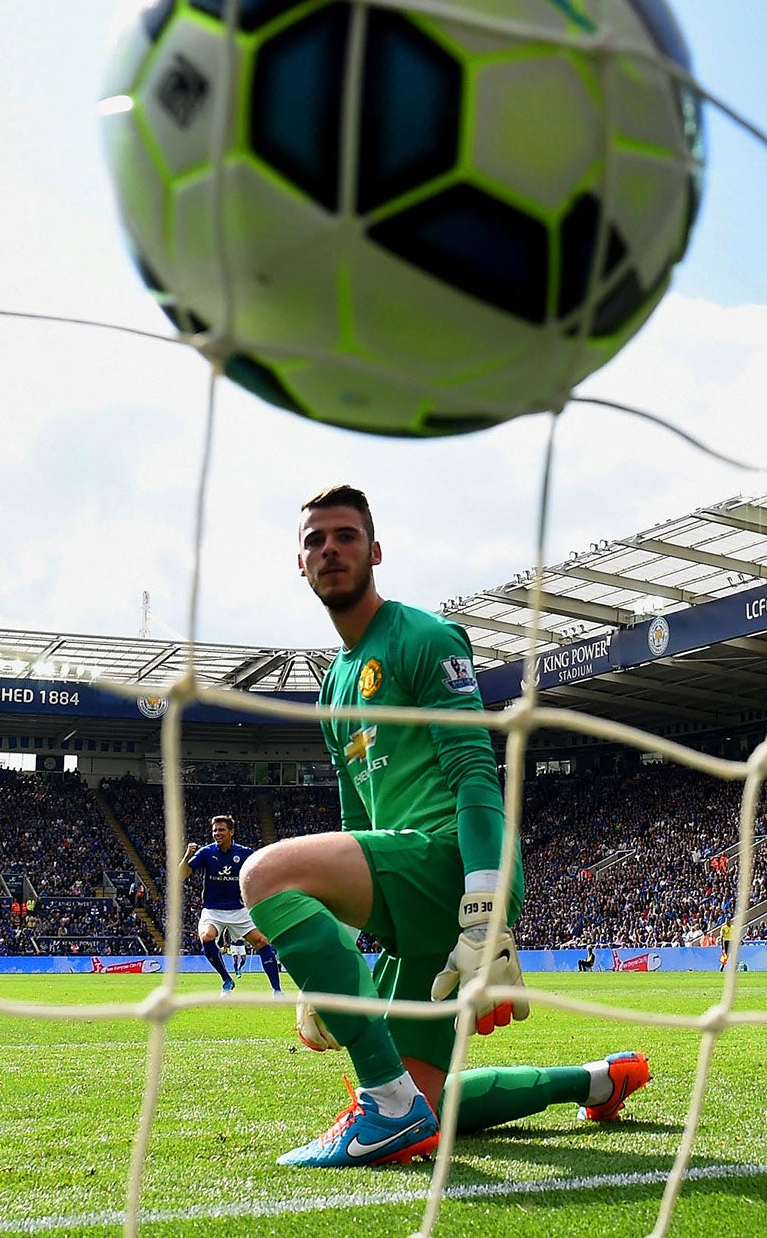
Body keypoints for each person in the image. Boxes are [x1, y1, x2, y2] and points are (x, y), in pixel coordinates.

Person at [239, 486, 650, 1168]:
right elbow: (354, 822)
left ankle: (387, 1107)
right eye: (315, 541)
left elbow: (476, 778)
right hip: (407, 891)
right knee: (426, 1109)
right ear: (301, 564)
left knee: (264, 875)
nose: (329, 549)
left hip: (450, 869)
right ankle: (598, 1079)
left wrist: (485, 907)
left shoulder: (425, 638)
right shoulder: (332, 689)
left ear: (374, 552)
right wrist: (329, 962)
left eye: (344, 536)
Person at [181, 814, 281, 994]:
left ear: (231, 832)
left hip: (239, 910)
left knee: (262, 942)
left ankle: (277, 991)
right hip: (212, 909)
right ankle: (227, 980)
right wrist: (188, 854)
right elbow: (181, 875)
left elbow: (263, 872)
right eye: (214, 830)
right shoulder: (206, 852)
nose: (217, 833)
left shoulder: (245, 853)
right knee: (207, 937)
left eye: (221, 830)